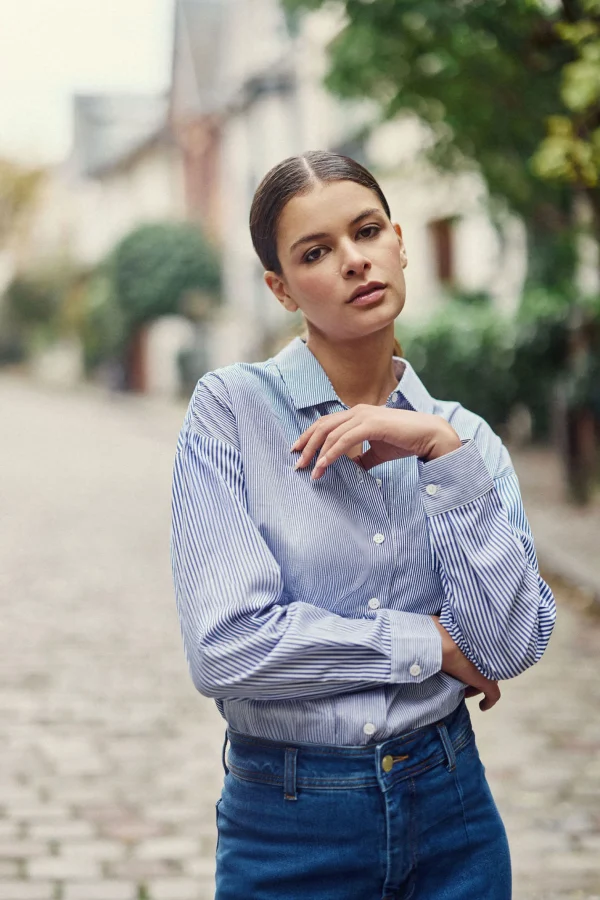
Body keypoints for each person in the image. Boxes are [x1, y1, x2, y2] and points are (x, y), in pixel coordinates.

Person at [170, 151, 556, 900]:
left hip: (454, 813)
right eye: (316, 252)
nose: (354, 261)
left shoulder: (465, 438)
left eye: (367, 231)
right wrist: (428, 643)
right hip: (289, 824)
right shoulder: (232, 412)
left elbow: (506, 646)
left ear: (400, 242)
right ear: (280, 288)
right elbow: (225, 647)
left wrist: (441, 457)